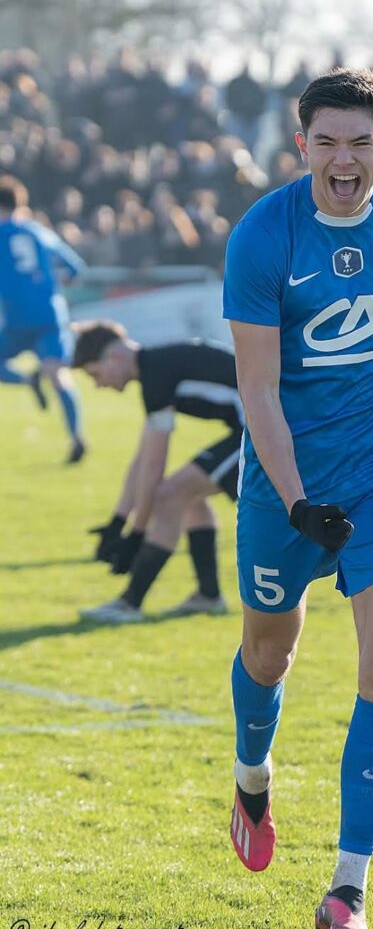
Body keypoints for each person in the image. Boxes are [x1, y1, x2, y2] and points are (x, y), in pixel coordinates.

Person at [223, 68, 373, 929]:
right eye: (326, 141)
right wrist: (294, 498)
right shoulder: (262, 236)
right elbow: (256, 388)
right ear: (302, 148)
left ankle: (348, 888)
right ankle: (252, 776)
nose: (343, 158)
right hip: (285, 482)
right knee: (267, 649)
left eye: (360, 142)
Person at [72, 320, 242, 623]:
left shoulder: (156, 374)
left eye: (95, 374)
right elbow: (142, 459)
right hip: (259, 426)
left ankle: (130, 603)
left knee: (171, 495)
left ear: (116, 356)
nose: (98, 385)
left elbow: (154, 466)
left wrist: (137, 534)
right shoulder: (154, 370)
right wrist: (118, 521)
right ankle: (208, 596)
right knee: (189, 497)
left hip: (273, 427)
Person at [0, 177, 87, 463]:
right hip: (49, 313)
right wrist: (47, 285)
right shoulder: (38, 231)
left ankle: (26, 379)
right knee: (59, 376)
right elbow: (74, 267)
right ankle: (77, 438)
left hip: (16, 319)